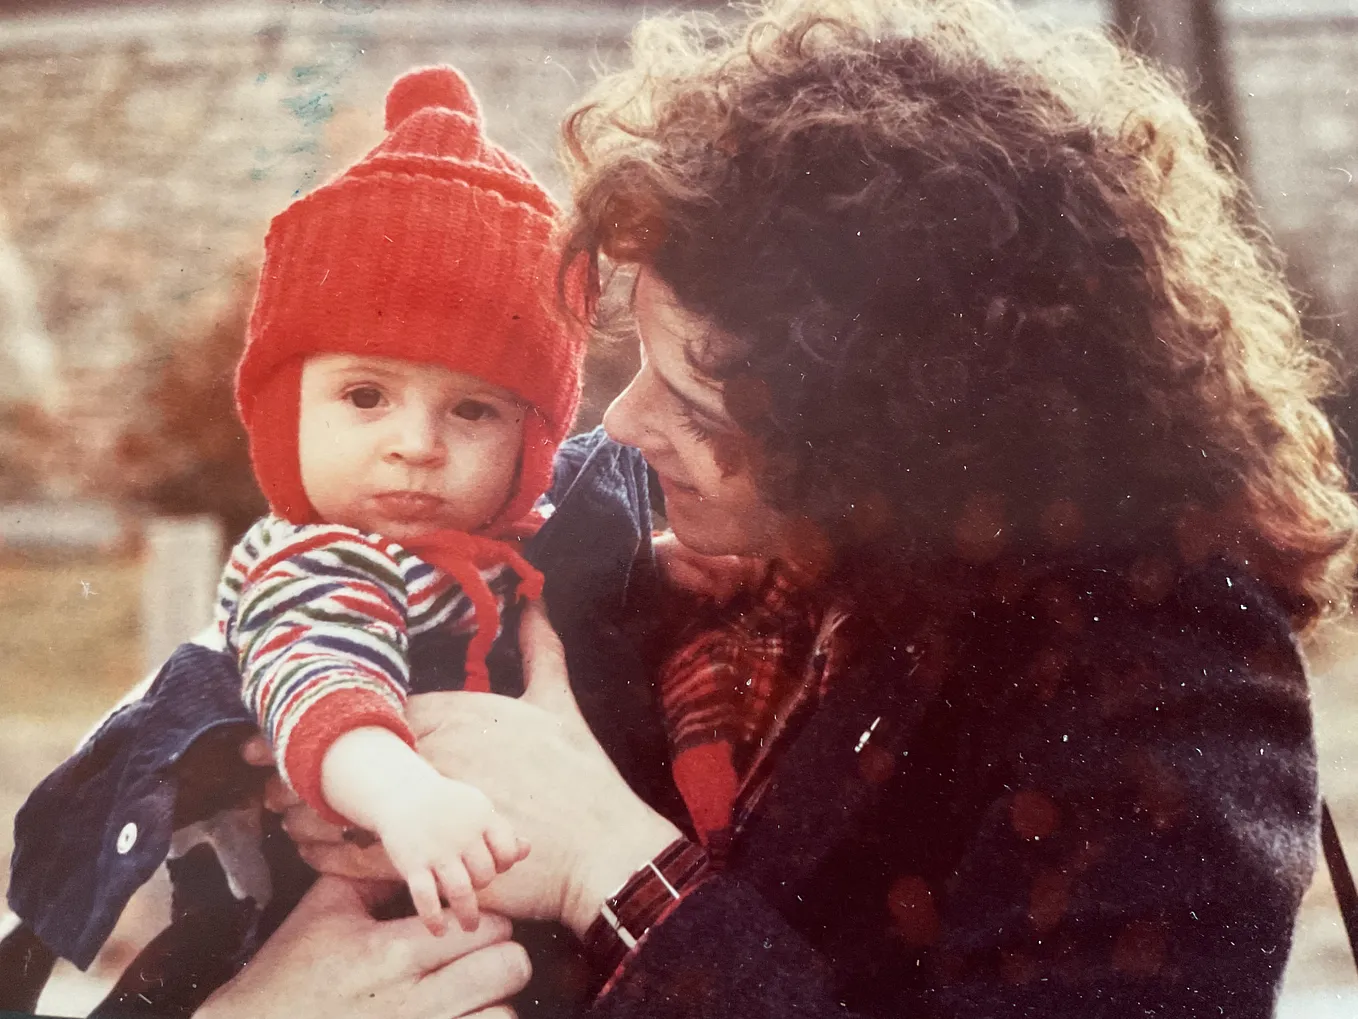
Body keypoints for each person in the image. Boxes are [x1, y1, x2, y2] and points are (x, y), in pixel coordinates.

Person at [195, 0, 1358, 1017]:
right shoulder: (652, 545)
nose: (626, 428)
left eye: (705, 404)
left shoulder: (1158, 681)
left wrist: (607, 861)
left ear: (897, 443)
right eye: (635, 360)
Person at [5, 64, 670, 1019]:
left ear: (532, 439)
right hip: (310, 920)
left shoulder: (524, 542)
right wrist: (405, 796)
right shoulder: (311, 556)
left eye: (472, 408)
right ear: (288, 412)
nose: (415, 442)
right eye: (366, 395)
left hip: (474, 891)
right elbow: (321, 676)